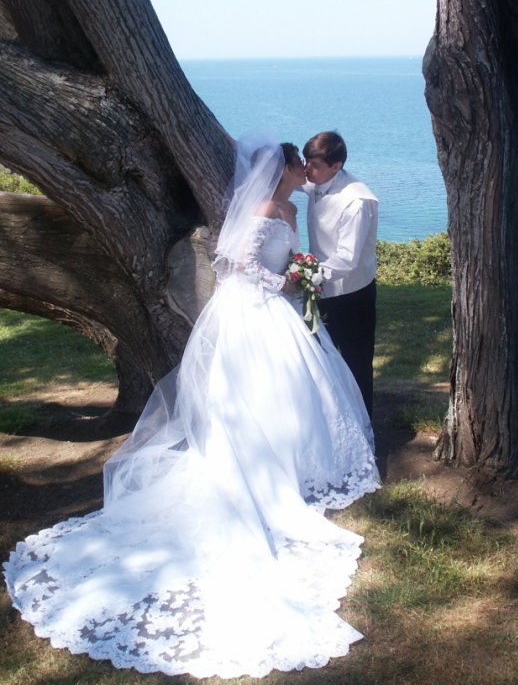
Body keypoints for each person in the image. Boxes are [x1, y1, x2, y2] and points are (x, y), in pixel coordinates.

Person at [3, 131, 380, 680]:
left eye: (308, 163)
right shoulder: (261, 208)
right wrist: (282, 281)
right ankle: (252, 465)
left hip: (277, 307)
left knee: (297, 389)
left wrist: (296, 277)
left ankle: (292, 463)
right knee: (257, 390)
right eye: (298, 163)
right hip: (253, 311)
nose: (303, 170)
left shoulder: (290, 208)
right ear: (281, 170)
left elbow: (285, 258)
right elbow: (237, 264)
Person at [303, 131, 378, 418]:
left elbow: (347, 259)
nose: (308, 169)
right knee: (324, 362)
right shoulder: (317, 181)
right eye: (306, 161)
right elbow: (294, 180)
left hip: (352, 295)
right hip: (321, 289)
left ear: (337, 166)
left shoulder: (355, 202)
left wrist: (306, 277)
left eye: (315, 164)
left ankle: (365, 428)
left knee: (356, 363)